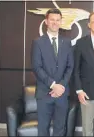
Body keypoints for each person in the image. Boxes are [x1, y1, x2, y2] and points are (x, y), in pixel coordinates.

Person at [31, 8, 74, 136]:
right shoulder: (37, 42)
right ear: (46, 21)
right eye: (52, 20)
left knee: (60, 129)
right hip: (44, 93)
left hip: (62, 93)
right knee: (43, 129)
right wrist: (53, 85)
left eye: (57, 20)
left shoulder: (67, 42)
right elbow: (37, 67)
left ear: (61, 22)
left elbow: (70, 66)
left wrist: (60, 86)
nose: (55, 23)